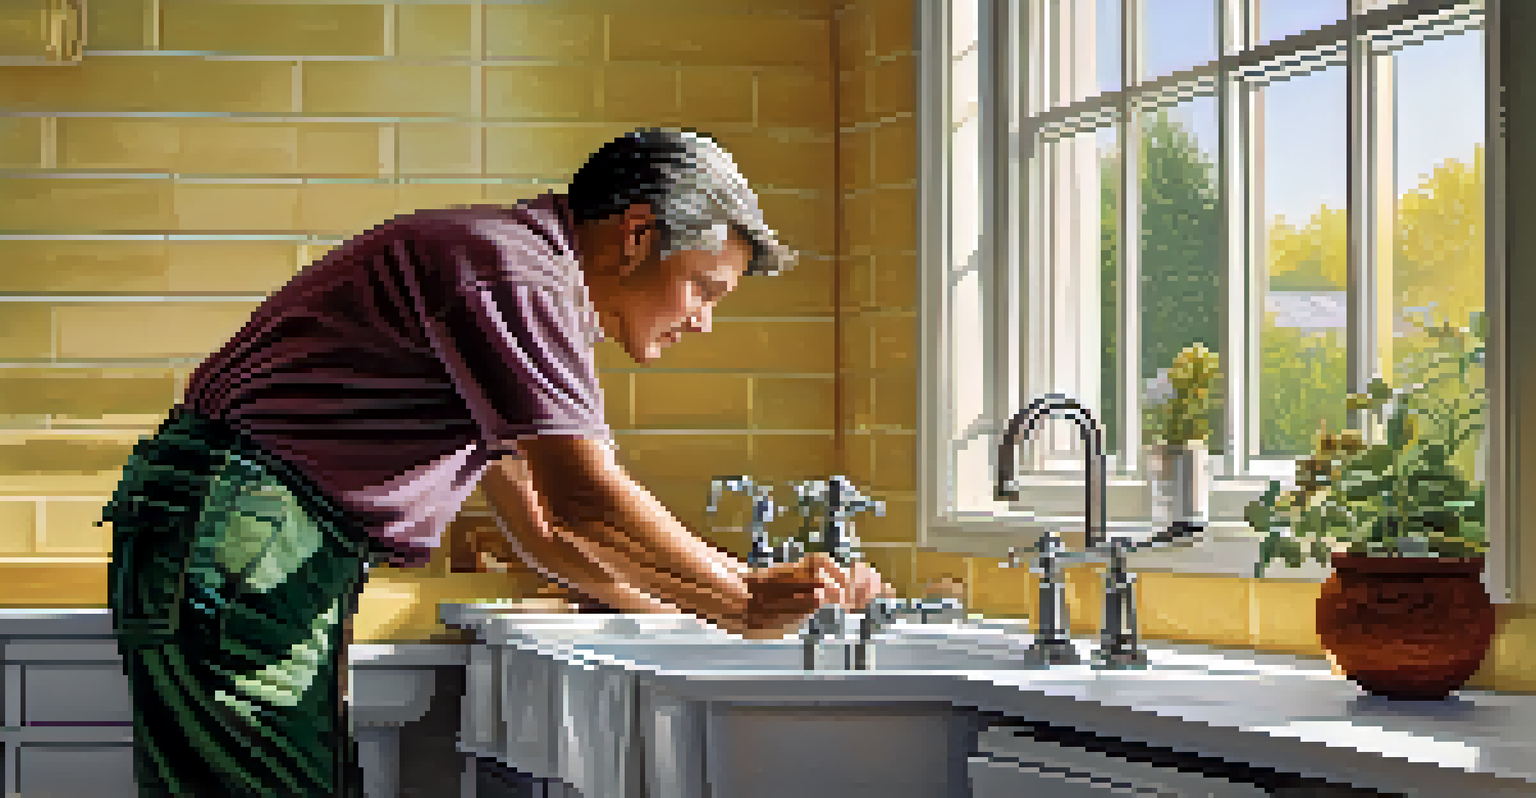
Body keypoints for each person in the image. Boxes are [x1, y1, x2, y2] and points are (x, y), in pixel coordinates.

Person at [101, 127, 893, 798]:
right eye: (703, 289)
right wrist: (741, 596)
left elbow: (546, 531)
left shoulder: (512, 283)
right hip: (241, 528)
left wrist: (702, 614)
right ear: (639, 235)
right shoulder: (515, 272)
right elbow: (586, 502)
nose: (705, 322)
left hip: (247, 531)